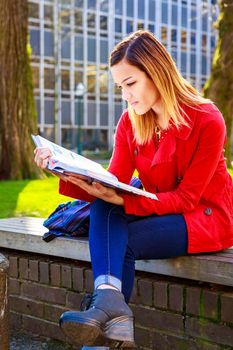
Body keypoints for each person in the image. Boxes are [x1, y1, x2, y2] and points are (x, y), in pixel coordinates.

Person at [34, 30, 233, 349]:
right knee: (105, 205)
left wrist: (123, 200)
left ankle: (105, 333)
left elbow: (186, 199)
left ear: (157, 73)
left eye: (131, 84)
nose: (125, 95)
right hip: (159, 209)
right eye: (120, 87)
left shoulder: (207, 119)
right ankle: (111, 313)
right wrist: (61, 168)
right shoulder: (130, 122)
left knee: (121, 240)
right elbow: (112, 181)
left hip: (203, 219)